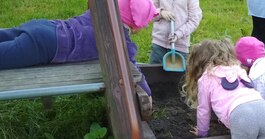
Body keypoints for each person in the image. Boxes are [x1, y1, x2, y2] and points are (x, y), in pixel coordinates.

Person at [0, 0, 157, 96]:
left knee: (6, 36)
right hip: (47, 46)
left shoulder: (95, 15)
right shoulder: (121, 42)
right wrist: (148, 93)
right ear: (135, 24)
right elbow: (133, 72)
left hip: (45, 26)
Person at [149, 0, 202, 64]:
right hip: (159, 45)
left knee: (178, 74)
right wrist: (160, 12)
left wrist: (178, 34)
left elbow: (194, 20)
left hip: (180, 47)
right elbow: (150, 11)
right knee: (154, 72)